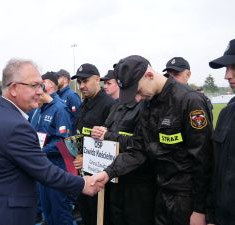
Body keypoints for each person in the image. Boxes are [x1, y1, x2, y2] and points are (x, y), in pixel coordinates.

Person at [0, 58, 104, 225]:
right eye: (34, 85)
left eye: (41, 85)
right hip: (5, 214)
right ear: (14, 88)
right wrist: (83, 184)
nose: (41, 91)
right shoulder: (14, 124)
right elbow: (45, 171)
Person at [93, 55, 213, 225]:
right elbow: (139, 148)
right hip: (160, 192)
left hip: (186, 198)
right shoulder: (147, 105)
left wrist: (200, 209)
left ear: (149, 75)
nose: (137, 98)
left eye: (138, 91)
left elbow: (204, 160)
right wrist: (108, 172)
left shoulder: (189, 101)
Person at [91, 68, 156, 225]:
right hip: (116, 177)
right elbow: (107, 129)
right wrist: (98, 131)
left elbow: (140, 144)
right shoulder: (117, 106)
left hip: (138, 182)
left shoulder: (146, 107)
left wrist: (107, 135)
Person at [71, 63, 115, 225]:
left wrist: (87, 159)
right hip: (83, 175)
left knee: (100, 218)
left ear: (97, 79)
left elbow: (111, 146)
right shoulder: (84, 104)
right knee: (86, 216)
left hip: (100, 179)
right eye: (79, 82)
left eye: (85, 81)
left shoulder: (109, 105)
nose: (81, 86)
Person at [30, 71, 75, 225]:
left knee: (60, 212)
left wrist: (39, 152)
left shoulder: (60, 109)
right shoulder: (38, 110)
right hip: (43, 167)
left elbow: (63, 142)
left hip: (57, 168)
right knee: (47, 212)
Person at [209, 38, 235, 225]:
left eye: (234, 67)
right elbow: (216, 167)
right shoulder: (227, 112)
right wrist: (210, 214)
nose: (227, 76)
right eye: (227, 69)